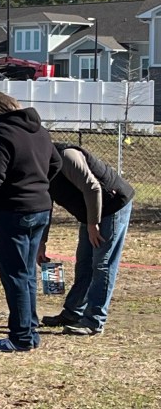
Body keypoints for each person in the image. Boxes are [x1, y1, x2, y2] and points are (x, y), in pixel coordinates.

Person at [0, 91, 61, 352]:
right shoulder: (40, 131)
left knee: (15, 274)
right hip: (40, 207)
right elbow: (56, 163)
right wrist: (38, 183)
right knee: (27, 273)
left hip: (11, 211)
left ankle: (22, 336)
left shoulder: (0, 133)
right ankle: (29, 326)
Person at [40, 142, 133, 336]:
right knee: (84, 263)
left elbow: (93, 188)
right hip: (91, 212)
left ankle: (94, 321)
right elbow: (45, 205)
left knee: (102, 263)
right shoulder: (38, 166)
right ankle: (73, 313)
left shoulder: (67, 156)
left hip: (112, 205)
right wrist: (42, 243)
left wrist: (93, 224)